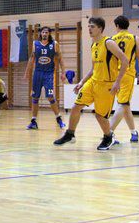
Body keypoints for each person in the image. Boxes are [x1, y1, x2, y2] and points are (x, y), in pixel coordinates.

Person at [54, 17, 128, 150]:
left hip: (107, 85)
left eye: (92, 26)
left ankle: (108, 137)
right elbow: (93, 69)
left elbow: (125, 60)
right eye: (88, 26)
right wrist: (82, 82)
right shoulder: (93, 45)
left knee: (100, 116)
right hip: (93, 82)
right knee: (76, 107)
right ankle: (70, 134)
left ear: (100, 28)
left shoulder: (109, 43)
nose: (89, 29)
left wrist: (117, 82)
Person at [108, 16, 139, 143]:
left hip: (114, 76)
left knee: (124, 104)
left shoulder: (111, 39)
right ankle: (109, 132)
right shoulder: (135, 38)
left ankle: (130, 132)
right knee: (123, 104)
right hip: (127, 74)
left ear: (117, 26)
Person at [24, 26, 67, 130]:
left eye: (46, 32)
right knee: (35, 97)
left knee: (50, 96)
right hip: (37, 73)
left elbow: (60, 59)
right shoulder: (35, 44)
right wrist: (27, 72)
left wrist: (63, 72)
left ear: (49, 34)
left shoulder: (54, 44)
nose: (44, 34)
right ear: (40, 33)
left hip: (48, 74)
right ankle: (33, 121)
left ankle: (59, 119)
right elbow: (31, 59)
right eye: (43, 32)